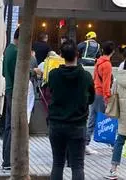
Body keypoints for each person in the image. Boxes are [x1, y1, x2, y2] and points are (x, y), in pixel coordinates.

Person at [48, 40, 95, 180]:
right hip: (78, 124)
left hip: (56, 124)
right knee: (78, 165)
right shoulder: (85, 76)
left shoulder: (54, 74)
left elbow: (51, 91)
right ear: (78, 54)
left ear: (61, 55)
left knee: (57, 163)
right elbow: (91, 98)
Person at [86, 41, 115, 155]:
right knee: (106, 119)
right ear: (112, 52)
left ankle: (85, 143)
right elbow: (106, 83)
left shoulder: (98, 62)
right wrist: (107, 97)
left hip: (95, 92)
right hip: (101, 94)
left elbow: (95, 78)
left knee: (92, 118)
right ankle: (113, 144)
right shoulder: (107, 64)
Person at [2, 28, 20, 170]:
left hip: (8, 89)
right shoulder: (15, 52)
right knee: (13, 126)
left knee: (9, 126)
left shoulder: (8, 49)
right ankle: (9, 160)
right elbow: (19, 73)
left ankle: (6, 159)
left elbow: (4, 71)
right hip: (15, 91)